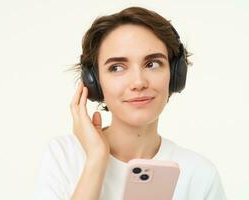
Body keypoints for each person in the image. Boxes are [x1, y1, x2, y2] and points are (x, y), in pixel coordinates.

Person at [36, 6, 226, 200]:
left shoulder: (200, 174)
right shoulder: (64, 156)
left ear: (176, 75)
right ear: (94, 82)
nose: (138, 82)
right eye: (117, 67)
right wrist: (96, 160)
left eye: (152, 64)